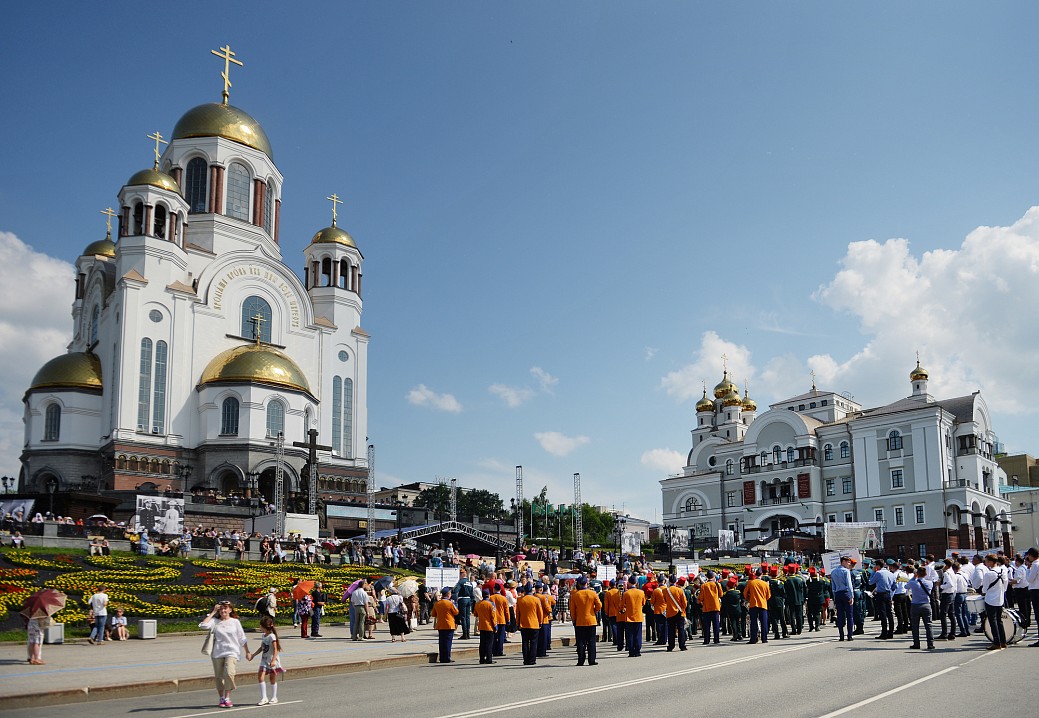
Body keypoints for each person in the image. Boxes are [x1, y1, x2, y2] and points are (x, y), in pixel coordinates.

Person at [200, 600, 250, 708]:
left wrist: (247, 652)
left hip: (232, 651)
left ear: (230, 610)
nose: (223, 610)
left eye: (225, 608)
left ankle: (227, 697)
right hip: (217, 652)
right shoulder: (215, 621)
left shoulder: (235, 622)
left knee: (229, 673)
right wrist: (213, 612)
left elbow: (242, 638)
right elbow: (203, 625)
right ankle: (221, 698)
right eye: (221, 608)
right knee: (218, 677)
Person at [246, 616, 284, 705]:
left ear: (264, 627)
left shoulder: (272, 636)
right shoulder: (264, 635)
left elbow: (276, 649)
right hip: (264, 660)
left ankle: (274, 697)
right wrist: (253, 655)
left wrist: (274, 660)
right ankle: (264, 697)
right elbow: (262, 647)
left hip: (272, 660)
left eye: (261, 626)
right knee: (260, 677)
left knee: (272, 678)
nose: (260, 627)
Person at [570, 575, 602, 665]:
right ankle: (591, 660)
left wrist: (574, 619)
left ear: (579, 584)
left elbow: (572, 610)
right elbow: (599, 605)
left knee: (580, 641)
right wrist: (594, 611)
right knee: (591, 641)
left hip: (580, 621)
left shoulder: (575, 595)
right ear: (587, 583)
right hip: (591, 620)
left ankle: (581, 660)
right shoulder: (592, 593)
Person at [981, 553, 1009, 650]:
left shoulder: (988, 574)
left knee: (992, 621)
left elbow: (984, 589)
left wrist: (984, 592)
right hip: (1000, 598)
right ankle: (1003, 641)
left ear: (991, 562)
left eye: (986, 561)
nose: (985, 563)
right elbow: (1005, 586)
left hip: (990, 599)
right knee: (999, 620)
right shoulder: (1003, 571)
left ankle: (996, 643)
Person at [907, 566, 935, 650]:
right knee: (928, 625)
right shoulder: (930, 583)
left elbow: (906, 586)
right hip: (926, 604)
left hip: (915, 604)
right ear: (925, 574)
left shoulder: (913, 583)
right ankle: (930, 643)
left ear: (917, 574)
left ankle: (916, 643)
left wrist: (913, 577)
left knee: (915, 626)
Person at [516, 583, 545, 665]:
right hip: (534, 624)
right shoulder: (536, 600)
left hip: (523, 623)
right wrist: (540, 622)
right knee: (533, 643)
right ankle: (532, 660)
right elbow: (540, 613)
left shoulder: (520, 600)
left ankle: (526, 659)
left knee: (525, 642)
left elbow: (517, 613)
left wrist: (517, 622)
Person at [830, 556, 855, 641]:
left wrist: (834, 597)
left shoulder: (833, 572)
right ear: (843, 561)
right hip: (846, 593)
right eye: (848, 562)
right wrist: (852, 596)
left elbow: (833, 586)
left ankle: (841, 636)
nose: (849, 564)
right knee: (849, 615)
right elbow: (849, 584)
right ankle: (850, 635)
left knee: (840, 616)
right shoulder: (846, 571)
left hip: (837, 594)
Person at [869, 559, 896, 640]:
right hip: (888, 594)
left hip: (881, 594)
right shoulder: (891, 573)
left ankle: (884, 633)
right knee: (889, 613)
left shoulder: (878, 573)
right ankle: (891, 632)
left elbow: (870, 582)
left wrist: (873, 572)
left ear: (877, 566)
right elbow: (894, 586)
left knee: (883, 614)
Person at [431, 587, 459, 663]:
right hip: (449, 624)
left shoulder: (437, 603)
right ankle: (447, 657)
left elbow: (433, 614)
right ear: (448, 594)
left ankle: (442, 657)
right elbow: (456, 612)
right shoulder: (450, 603)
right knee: (448, 642)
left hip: (440, 624)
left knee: (441, 642)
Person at [744, 569, 771, 644]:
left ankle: (753, 639)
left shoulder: (751, 583)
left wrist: (749, 599)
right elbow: (768, 596)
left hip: (753, 604)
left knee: (753, 622)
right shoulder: (765, 584)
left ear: (755, 574)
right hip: (763, 604)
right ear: (761, 574)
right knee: (764, 622)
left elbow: (745, 594)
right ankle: (764, 638)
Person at [622, 576, 646, 657]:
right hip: (638, 616)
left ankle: (631, 651)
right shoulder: (641, 592)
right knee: (638, 634)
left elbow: (621, 605)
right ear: (636, 583)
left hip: (629, 616)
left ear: (628, 583)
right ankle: (638, 650)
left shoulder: (626, 593)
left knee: (630, 635)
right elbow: (643, 603)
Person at [662, 576, 688, 652]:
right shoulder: (679, 590)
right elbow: (685, 603)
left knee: (671, 630)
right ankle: (682, 645)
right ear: (676, 582)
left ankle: (671, 646)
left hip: (670, 612)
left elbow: (665, 600)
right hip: (679, 612)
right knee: (681, 629)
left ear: (669, 581)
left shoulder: (665, 591)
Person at [699, 570, 723, 645]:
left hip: (706, 607)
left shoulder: (704, 585)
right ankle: (716, 639)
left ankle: (707, 639)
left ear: (707, 577)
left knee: (706, 625)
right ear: (713, 576)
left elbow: (701, 597)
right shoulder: (717, 584)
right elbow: (721, 594)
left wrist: (699, 601)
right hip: (715, 606)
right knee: (716, 624)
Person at [473, 591, 497, 663]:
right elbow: (493, 617)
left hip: (481, 625)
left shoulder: (478, 604)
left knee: (482, 643)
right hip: (489, 626)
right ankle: (489, 659)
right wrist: (495, 626)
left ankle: (482, 658)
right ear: (489, 595)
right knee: (489, 643)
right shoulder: (491, 604)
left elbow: (475, 614)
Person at [490, 584, 509, 656]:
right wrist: (508, 619)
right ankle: (500, 650)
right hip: (501, 619)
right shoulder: (504, 598)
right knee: (501, 636)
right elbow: (506, 611)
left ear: (494, 589)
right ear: (500, 590)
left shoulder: (491, 598)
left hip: (493, 619)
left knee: (494, 636)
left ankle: (494, 650)